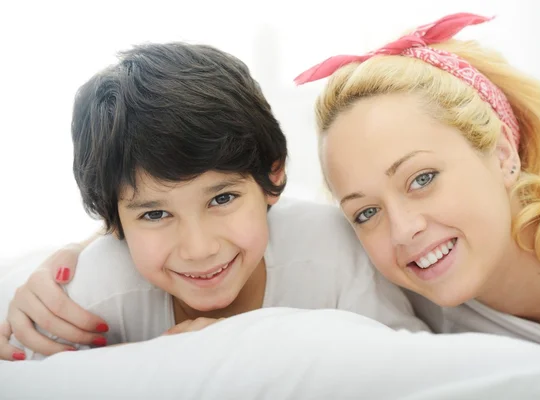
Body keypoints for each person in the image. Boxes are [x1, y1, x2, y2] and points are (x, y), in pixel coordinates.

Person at [0, 42, 427, 361]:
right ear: (115, 223)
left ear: (272, 177)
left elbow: (413, 368)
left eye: (222, 198)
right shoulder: (91, 293)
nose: (199, 248)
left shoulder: (334, 254)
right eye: (154, 213)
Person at [294, 12, 540, 366]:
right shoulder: (421, 323)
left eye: (422, 179)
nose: (404, 231)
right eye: (366, 213)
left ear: (502, 154)